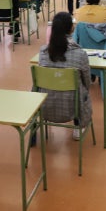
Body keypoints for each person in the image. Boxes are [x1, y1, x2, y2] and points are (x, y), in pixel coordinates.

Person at [38, 12, 92, 140]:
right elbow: (87, 82)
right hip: (73, 107)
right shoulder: (80, 54)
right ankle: (78, 126)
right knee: (81, 89)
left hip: (45, 105)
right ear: (71, 28)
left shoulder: (43, 52)